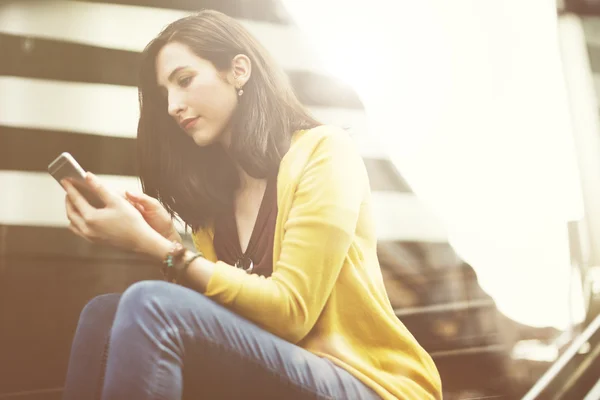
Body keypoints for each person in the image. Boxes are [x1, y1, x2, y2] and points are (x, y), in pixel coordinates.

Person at [60, 10, 442, 400]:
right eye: (164, 95)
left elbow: (290, 312)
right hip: (284, 372)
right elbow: (234, 314)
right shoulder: (214, 202)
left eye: (185, 81)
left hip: (366, 383)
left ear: (238, 70)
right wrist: (170, 241)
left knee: (149, 303)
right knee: (103, 313)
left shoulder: (324, 152)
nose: (173, 105)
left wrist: (159, 248)